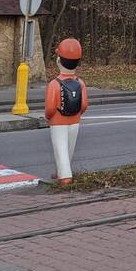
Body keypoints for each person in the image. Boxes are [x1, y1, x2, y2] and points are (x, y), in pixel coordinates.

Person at [44, 37, 89, 185]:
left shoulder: (54, 84)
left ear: (59, 60)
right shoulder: (80, 83)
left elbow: (50, 108)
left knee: (60, 147)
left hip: (58, 122)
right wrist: (77, 114)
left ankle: (65, 177)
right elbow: (84, 105)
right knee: (69, 148)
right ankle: (61, 170)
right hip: (74, 121)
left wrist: (48, 117)